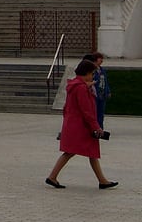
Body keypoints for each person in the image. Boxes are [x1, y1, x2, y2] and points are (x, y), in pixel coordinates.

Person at [47, 57, 117, 188]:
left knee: (88, 152)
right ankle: (52, 177)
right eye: (91, 74)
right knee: (73, 151)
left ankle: (102, 180)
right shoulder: (81, 89)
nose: (92, 76)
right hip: (81, 126)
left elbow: (67, 108)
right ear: (86, 73)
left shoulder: (75, 86)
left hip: (74, 124)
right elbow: (87, 111)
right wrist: (96, 127)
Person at [92, 52, 110, 132]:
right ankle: (94, 127)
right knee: (94, 112)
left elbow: (105, 81)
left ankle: (100, 128)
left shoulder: (102, 70)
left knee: (101, 112)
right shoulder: (92, 70)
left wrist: (108, 91)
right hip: (95, 95)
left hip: (102, 95)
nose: (102, 60)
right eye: (100, 59)